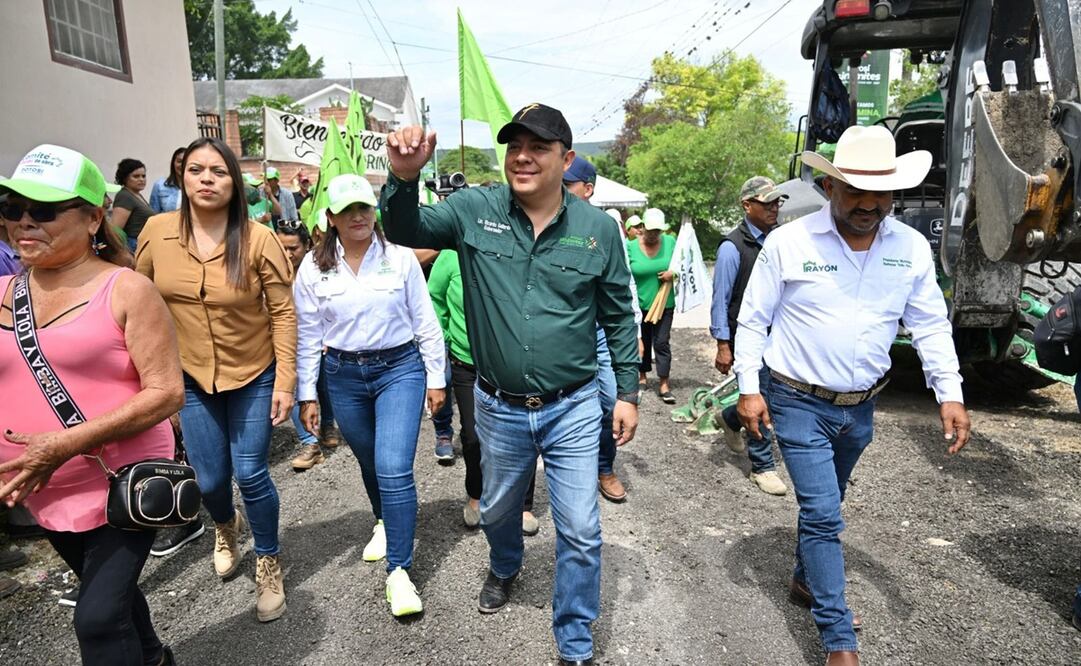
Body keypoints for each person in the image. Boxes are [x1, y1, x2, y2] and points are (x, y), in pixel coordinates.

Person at [382, 103, 639, 666]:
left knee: (581, 528)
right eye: (514, 146)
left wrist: (626, 391)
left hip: (573, 406)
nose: (522, 157)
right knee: (497, 511)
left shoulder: (598, 230)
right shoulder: (474, 209)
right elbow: (403, 230)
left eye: (538, 147)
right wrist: (404, 177)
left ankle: (574, 639)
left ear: (566, 160)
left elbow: (619, 314)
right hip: (498, 407)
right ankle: (504, 565)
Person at [734, 125, 971, 666]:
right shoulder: (789, 243)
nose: (869, 204)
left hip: (861, 408)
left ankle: (804, 577)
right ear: (828, 186)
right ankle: (838, 639)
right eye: (855, 190)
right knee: (823, 514)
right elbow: (752, 321)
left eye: (880, 192)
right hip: (797, 400)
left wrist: (950, 394)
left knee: (829, 501)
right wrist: (749, 389)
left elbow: (930, 325)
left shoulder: (910, 248)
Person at [0, 143, 181, 665]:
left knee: (97, 617)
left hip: (122, 480)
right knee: (111, 599)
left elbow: (166, 392)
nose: (24, 221)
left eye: (44, 210)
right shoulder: (5, 292)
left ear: (94, 218)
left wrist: (63, 444)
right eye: (12, 208)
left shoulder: (127, 290)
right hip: (43, 485)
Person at [136, 136, 296, 624]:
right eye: (196, 170)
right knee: (208, 480)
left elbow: (283, 312)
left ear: (234, 182)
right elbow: (138, 301)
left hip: (253, 373)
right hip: (188, 377)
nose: (206, 179)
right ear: (181, 178)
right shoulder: (157, 231)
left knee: (250, 473)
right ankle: (226, 525)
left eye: (218, 171)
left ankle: (268, 560)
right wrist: (148, 378)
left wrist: (286, 381)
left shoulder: (258, 238)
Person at [294, 174, 445, 617]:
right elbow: (308, 336)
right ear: (331, 217)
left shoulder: (399, 258)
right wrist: (307, 394)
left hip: (399, 369)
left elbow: (425, 321)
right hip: (343, 375)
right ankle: (383, 519)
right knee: (368, 460)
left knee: (393, 467)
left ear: (374, 210)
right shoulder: (312, 267)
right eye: (347, 210)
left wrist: (436, 378)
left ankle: (399, 570)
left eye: (364, 207)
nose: (357, 216)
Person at [428, 248, 541, 534]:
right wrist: (446, 337)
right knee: (473, 435)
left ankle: (523, 504)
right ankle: (476, 495)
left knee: (523, 432)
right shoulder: (451, 255)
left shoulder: (517, 248)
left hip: (513, 361)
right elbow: (434, 299)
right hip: (467, 363)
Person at [563, 157, 642, 502]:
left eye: (567, 185)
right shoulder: (544, 221)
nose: (560, 190)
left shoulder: (604, 228)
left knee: (611, 400)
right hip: (566, 334)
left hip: (601, 333)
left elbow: (624, 285)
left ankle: (604, 467)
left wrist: (635, 332)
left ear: (588, 189)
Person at [712, 177, 790, 497]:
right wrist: (722, 343)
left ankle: (731, 418)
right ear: (747, 205)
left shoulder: (781, 240)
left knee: (777, 394)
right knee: (763, 394)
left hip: (779, 335)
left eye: (777, 202)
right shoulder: (732, 248)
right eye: (766, 202)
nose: (774, 208)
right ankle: (762, 466)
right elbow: (720, 300)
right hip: (748, 336)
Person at [276, 220, 340, 471]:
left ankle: (328, 425)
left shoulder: (320, 269)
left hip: (320, 340)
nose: (288, 254)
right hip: (287, 343)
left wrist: (327, 337)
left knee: (323, 385)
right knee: (294, 388)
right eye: (282, 248)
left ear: (307, 246)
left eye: (293, 248)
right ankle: (310, 443)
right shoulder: (271, 271)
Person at [628, 207, 677, 403]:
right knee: (643, 342)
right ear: (642, 228)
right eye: (651, 230)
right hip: (639, 304)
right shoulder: (630, 246)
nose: (654, 234)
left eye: (658, 231)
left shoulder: (671, 242)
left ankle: (664, 383)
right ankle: (642, 376)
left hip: (664, 303)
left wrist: (674, 273)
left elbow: (684, 264)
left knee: (661, 342)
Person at [111, 158, 154, 253]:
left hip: (143, 244)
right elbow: (116, 230)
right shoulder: (124, 196)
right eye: (136, 176)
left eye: (143, 176)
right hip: (132, 247)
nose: (141, 179)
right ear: (125, 178)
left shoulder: (137, 195)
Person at [149, 147, 185, 214]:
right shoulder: (159, 185)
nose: (182, 165)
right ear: (173, 163)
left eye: (185, 162)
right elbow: (154, 214)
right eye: (179, 161)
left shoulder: (195, 186)